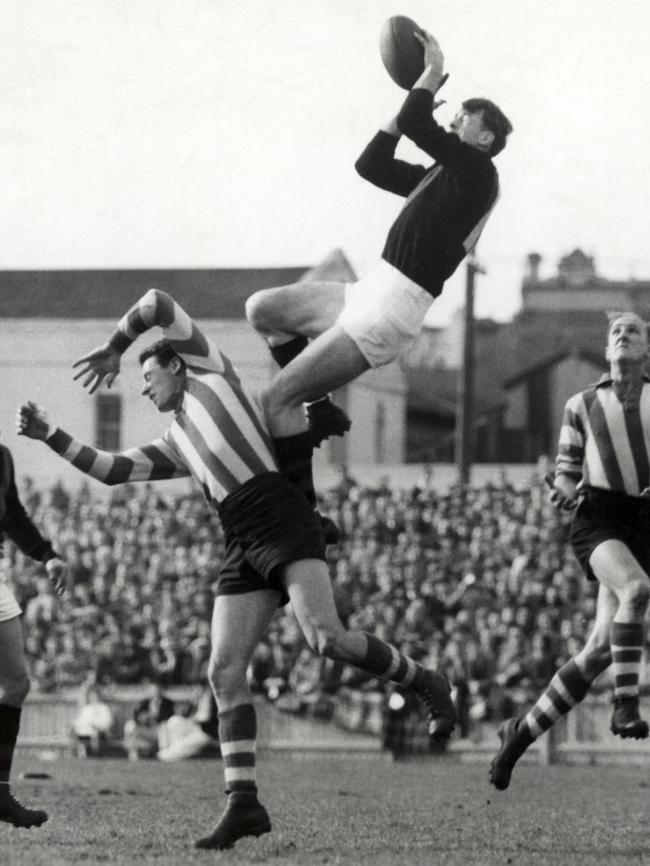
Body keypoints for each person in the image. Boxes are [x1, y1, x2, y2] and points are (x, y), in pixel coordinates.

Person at [17, 288, 457, 851]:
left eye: (149, 375)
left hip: (278, 512)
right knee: (224, 671)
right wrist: (50, 434)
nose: (144, 387)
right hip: (240, 535)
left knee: (327, 640)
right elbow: (110, 470)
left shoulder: (209, 372)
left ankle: (426, 681)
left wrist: (115, 346)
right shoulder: (177, 439)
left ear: (176, 364)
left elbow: (154, 302)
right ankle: (243, 802)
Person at [245, 31, 512, 448]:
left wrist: (432, 70)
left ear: (485, 138)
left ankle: (299, 506)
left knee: (276, 398)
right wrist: (406, 108)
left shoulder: (480, 174)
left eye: (465, 116)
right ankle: (319, 406)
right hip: (370, 290)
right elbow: (370, 165)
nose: (454, 118)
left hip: (392, 308)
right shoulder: (440, 176)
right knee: (262, 309)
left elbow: (417, 121)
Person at [489, 311, 650, 791]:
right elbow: (565, 469)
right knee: (637, 589)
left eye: (634, 330)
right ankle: (625, 704)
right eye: (616, 331)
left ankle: (519, 736)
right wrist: (563, 489)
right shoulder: (581, 404)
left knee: (601, 648)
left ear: (646, 350)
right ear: (606, 351)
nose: (623, 335)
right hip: (598, 517)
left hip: (644, 523)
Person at [0, 442, 67, 827]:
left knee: (16, 683)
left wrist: (47, 554)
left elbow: (11, 514)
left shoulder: (2, 455)